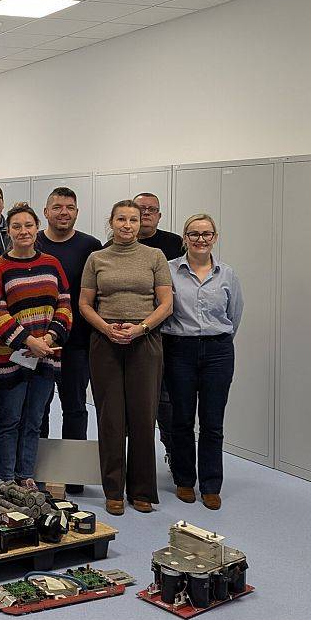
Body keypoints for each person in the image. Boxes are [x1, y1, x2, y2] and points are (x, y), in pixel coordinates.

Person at [78, 199, 173, 516]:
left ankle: (142, 491)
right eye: (121, 219)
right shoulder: (97, 258)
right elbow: (85, 304)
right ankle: (113, 490)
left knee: (144, 416)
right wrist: (107, 329)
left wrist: (140, 328)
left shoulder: (155, 256)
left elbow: (166, 304)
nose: (127, 225)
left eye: (133, 219)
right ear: (112, 222)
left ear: (140, 223)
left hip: (145, 340)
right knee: (111, 418)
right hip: (105, 341)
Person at [0, 203, 72, 491]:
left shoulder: (52, 264)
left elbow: (64, 304)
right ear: (8, 231)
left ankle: (26, 475)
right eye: (16, 226)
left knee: (35, 419)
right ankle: (8, 480)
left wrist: (48, 339)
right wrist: (28, 341)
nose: (23, 231)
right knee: (10, 419)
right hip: (10, 358)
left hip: (46, 355)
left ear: (37, 228)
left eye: (28, 225)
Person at [161, 214, 243, 511]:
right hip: (179, 349)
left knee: (212, 421)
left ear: (215, 237)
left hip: (218, 351)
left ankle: (210, 485)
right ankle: (184, 480)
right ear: (185, 238)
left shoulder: (227, 274)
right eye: (194, 234)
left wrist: (215, 339)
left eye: (206, 234)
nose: (200, 239)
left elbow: (234, 314)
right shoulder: (169, 270)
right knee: (181, 418)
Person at [34, 187, 103, 495]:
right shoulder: (33, 242)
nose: (64, 212)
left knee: (75, 408)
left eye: (70, 207)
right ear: (46, 212)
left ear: (77, 212)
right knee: (39, 409)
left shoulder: (91, 247)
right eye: (57, 207)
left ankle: (73, 476)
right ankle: (38, 473)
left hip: (77, 343)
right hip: (38, 343)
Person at [131, 192, 185, 464]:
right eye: (140, 208)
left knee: (166, 402)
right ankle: (134, 463)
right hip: (130, 336)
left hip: (167, 334)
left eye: (151, 209)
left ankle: (174, 455)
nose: (146, 213)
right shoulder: (113, 247)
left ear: (159, 215)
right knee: (133, 404)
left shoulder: (174, 244)